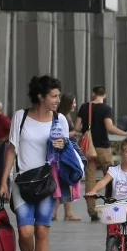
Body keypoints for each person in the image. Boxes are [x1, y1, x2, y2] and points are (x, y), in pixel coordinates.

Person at [0, 75, 70, 251]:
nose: (58, 100)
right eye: (54, 96)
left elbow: (66, 152)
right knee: (25, 232)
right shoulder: (21, 117)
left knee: (42, 230)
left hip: (48, 183)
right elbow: (11, 149)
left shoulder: (60, 120)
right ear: (41, 96)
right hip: (22, 182)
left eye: (58, 96)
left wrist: (63, 145)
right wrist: (3, 180)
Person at [75, 85, 127, 221]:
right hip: (103, 147)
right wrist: (126, 134)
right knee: (110, 176)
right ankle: (109, 204)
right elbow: (109, 127)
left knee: (90, 179)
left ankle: (92, 211)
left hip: (88, 148)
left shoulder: (84, 107)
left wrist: (86, 131)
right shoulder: (106, 109)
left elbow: (77, 127)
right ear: (104, 95)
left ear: (93, 94)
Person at [52, 93, 81, 221]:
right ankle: (55, 212)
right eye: (73, 102)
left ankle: (67, 213)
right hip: (64, 153)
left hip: (64, 152)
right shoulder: (62, 117)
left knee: (65, 182)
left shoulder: (64, 115)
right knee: (64, 181)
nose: (75, 105)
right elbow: (63, 136)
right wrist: (75, 131)